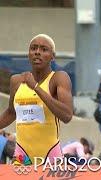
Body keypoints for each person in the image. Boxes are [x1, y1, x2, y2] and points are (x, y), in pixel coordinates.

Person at [0, 34, 73, 165]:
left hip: (50, 155)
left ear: (52, 56)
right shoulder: (16, 80)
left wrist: (35, 87)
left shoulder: (59, 78)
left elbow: (67, 115)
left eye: (44, 49)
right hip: (22, 156)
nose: (37, 52)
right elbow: (11, 113)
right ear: (28, 54)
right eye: (33, 48)